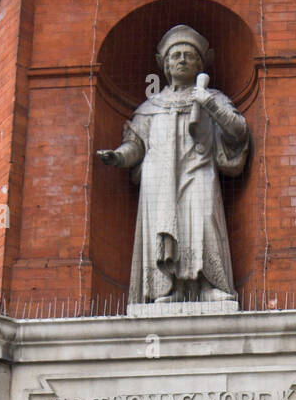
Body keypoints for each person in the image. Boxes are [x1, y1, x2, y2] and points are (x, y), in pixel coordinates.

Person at [97, 24, 250, 304]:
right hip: (159, 178)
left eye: (188, 56)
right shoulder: (151, 106)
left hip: (198, 169)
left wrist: (209, 104)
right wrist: (119, 156)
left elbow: (239, 132)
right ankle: (168, 288)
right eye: (175, 55)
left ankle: (208, 285)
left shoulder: (212, 97)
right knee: (164, 226)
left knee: (203, 220)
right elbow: (138, 146)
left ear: (199, 64)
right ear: (165, 65)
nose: (181, 59)